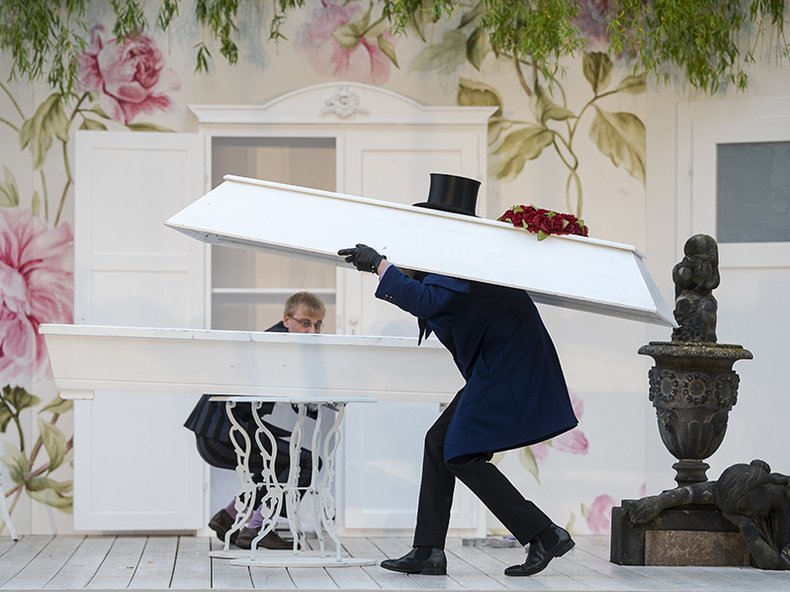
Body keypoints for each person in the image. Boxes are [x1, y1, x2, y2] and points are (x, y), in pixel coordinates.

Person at [337, 173, 579, 577]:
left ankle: (544, 533)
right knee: (439, 442)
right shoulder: (451, 256)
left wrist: (379, 265)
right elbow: (430, 297)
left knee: (461, 453)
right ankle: (428, 552)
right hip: (498, 365)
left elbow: (426, 301)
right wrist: (386, 267)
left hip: (509, 365)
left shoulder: (463, 255)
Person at [184, 291, 327, 549]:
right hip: (219, 435)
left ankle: (229, 517)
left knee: (278, 463)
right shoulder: (276, 347)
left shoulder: (276, 343)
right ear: (287, 320)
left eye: (317, 325)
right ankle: (259, 527)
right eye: (305, 323)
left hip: (216, 432)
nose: (312, 331)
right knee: (305, 461)